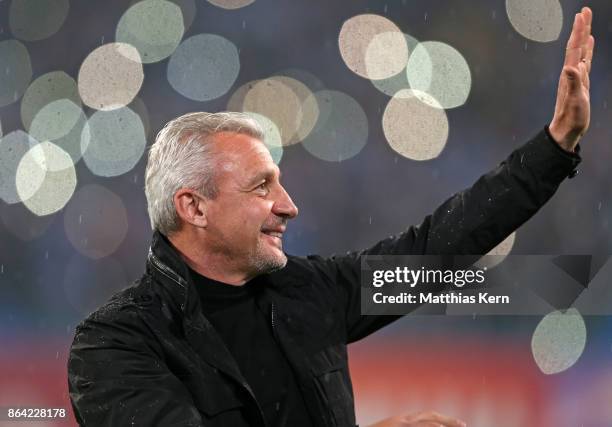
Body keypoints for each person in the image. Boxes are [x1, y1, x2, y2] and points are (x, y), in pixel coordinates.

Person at [67, 7, 594, 427]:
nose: (288, 205)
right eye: (261, 187)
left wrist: (554, 147)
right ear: (194, 207)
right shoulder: (115, 343)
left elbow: (439, 249)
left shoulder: (311, 292)